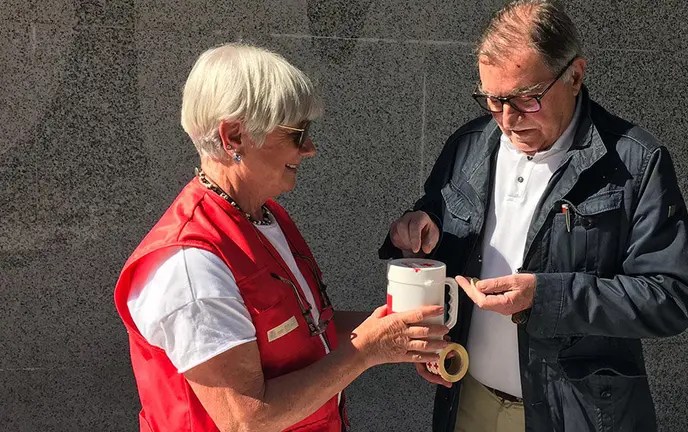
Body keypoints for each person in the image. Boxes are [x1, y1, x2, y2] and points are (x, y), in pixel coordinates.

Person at [380, 1, 688, 431]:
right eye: (493, 100)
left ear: (575, 76)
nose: (507, 120)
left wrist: (545, 296)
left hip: (577, 415)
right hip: (468, 400)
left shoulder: (635, 162)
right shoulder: (469, 144)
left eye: (526, 99)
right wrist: (419, 228)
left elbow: (671, 297)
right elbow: (444, 235)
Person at [114, 43, 450, 432]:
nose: (310, 149)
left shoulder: (263, 217)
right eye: (296, 133)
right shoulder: (190, 264)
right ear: (233, 136)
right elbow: (247, 420)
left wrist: (401, 334)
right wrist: (367, 351)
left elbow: (311, 328)